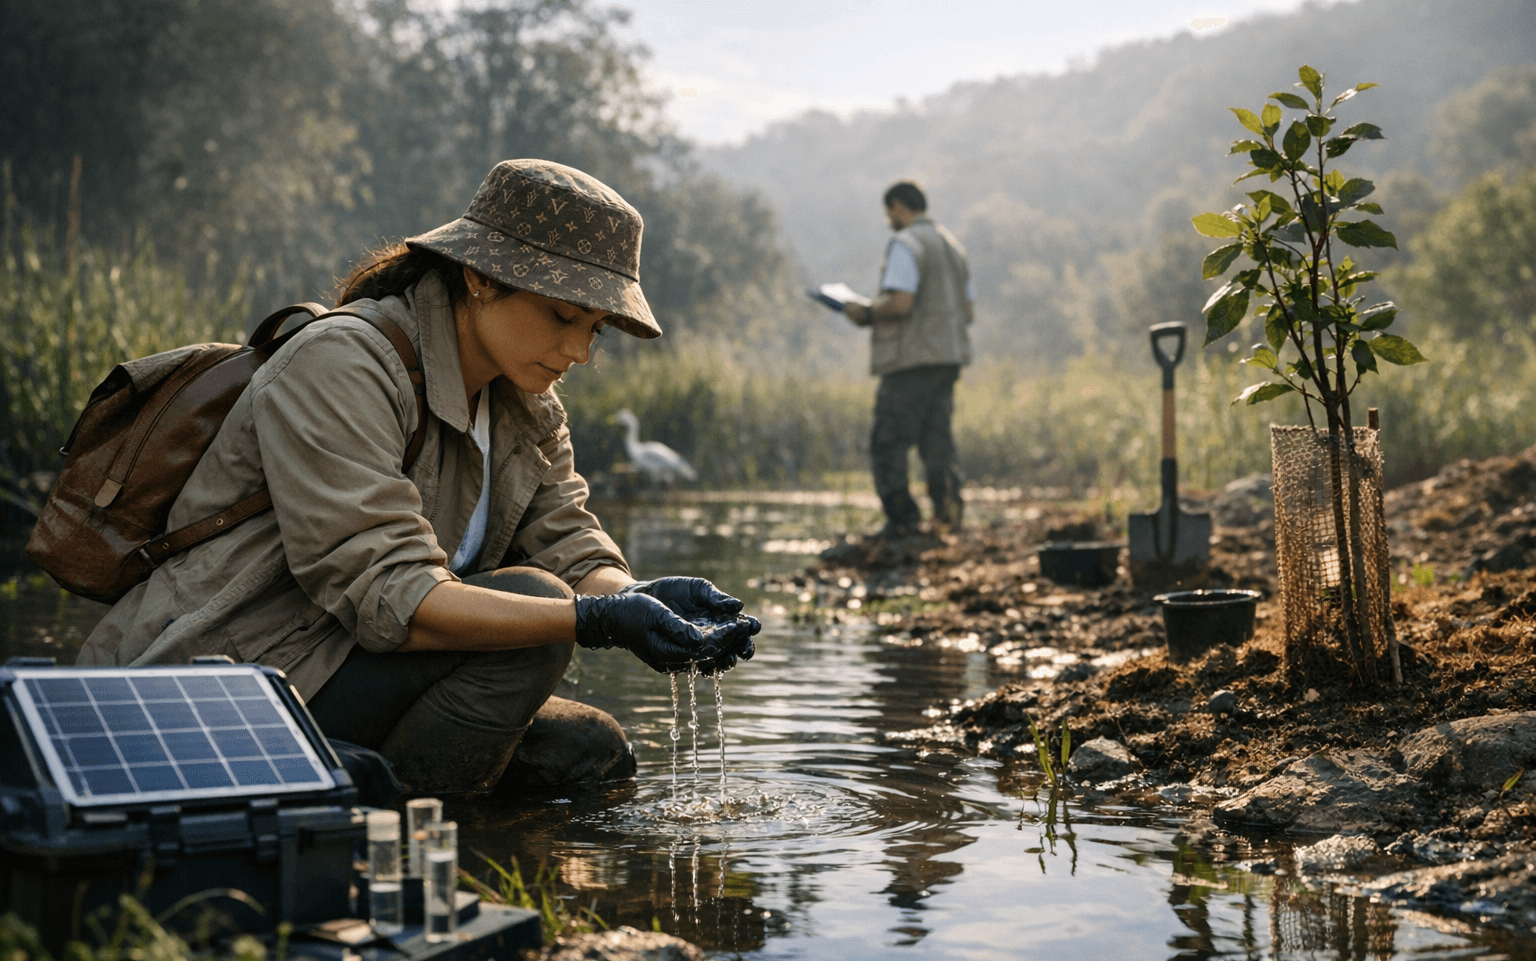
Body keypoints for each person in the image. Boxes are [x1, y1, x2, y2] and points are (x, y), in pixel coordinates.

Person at [77, 159, 759, 796]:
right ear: (481, 278)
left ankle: (414, 812)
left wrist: (639, 598)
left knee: (593, 751)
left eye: (597, 328)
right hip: (230, 683)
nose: (580, 350)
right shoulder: (343, 364)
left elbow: (571, 547)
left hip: (346, 669)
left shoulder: (527, 408)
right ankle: (405, 834)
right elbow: (392, 593)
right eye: (562, 315)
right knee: (535, 611)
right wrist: (595, 621)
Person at [841, 180, 973, 539]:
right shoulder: (953, 247)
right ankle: (948, 516)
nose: (889, 220)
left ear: (898, 206)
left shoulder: (907, 243)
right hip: (948, 359)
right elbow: (968, 312)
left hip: (911, 361)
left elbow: (900, 303)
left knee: (889, 442)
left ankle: (903, 522)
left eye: (889, 212)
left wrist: (866, 312)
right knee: (937, 441)